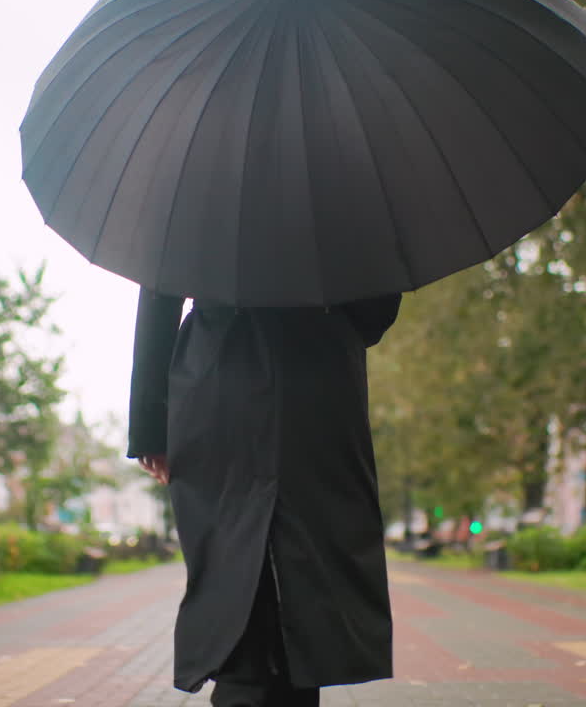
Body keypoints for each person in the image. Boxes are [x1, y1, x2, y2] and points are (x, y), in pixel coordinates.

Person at [128, 288, 401, 707]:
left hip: (218, 373)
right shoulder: (340, 217)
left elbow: (159, 288)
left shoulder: (195, 219)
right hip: (317, 372)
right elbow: (376, 305)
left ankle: (248, 684)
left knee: (231, 559)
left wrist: (150, 423)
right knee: (310, 568)